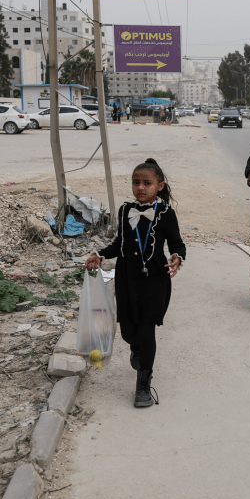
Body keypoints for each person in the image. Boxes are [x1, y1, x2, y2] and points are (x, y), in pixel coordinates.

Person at [85, 159, 186, 409]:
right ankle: (136, 349)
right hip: (127, 279)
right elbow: (119, 245)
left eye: (147, 183)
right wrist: (99, 254)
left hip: (155, 279)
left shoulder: (165, 213)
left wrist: (177, 257)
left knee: (146, 328)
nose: (140, 187)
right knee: (129, 330)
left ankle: (143, 384)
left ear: (160, 186)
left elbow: (177, 243)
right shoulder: (124, 211)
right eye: (136, 182)